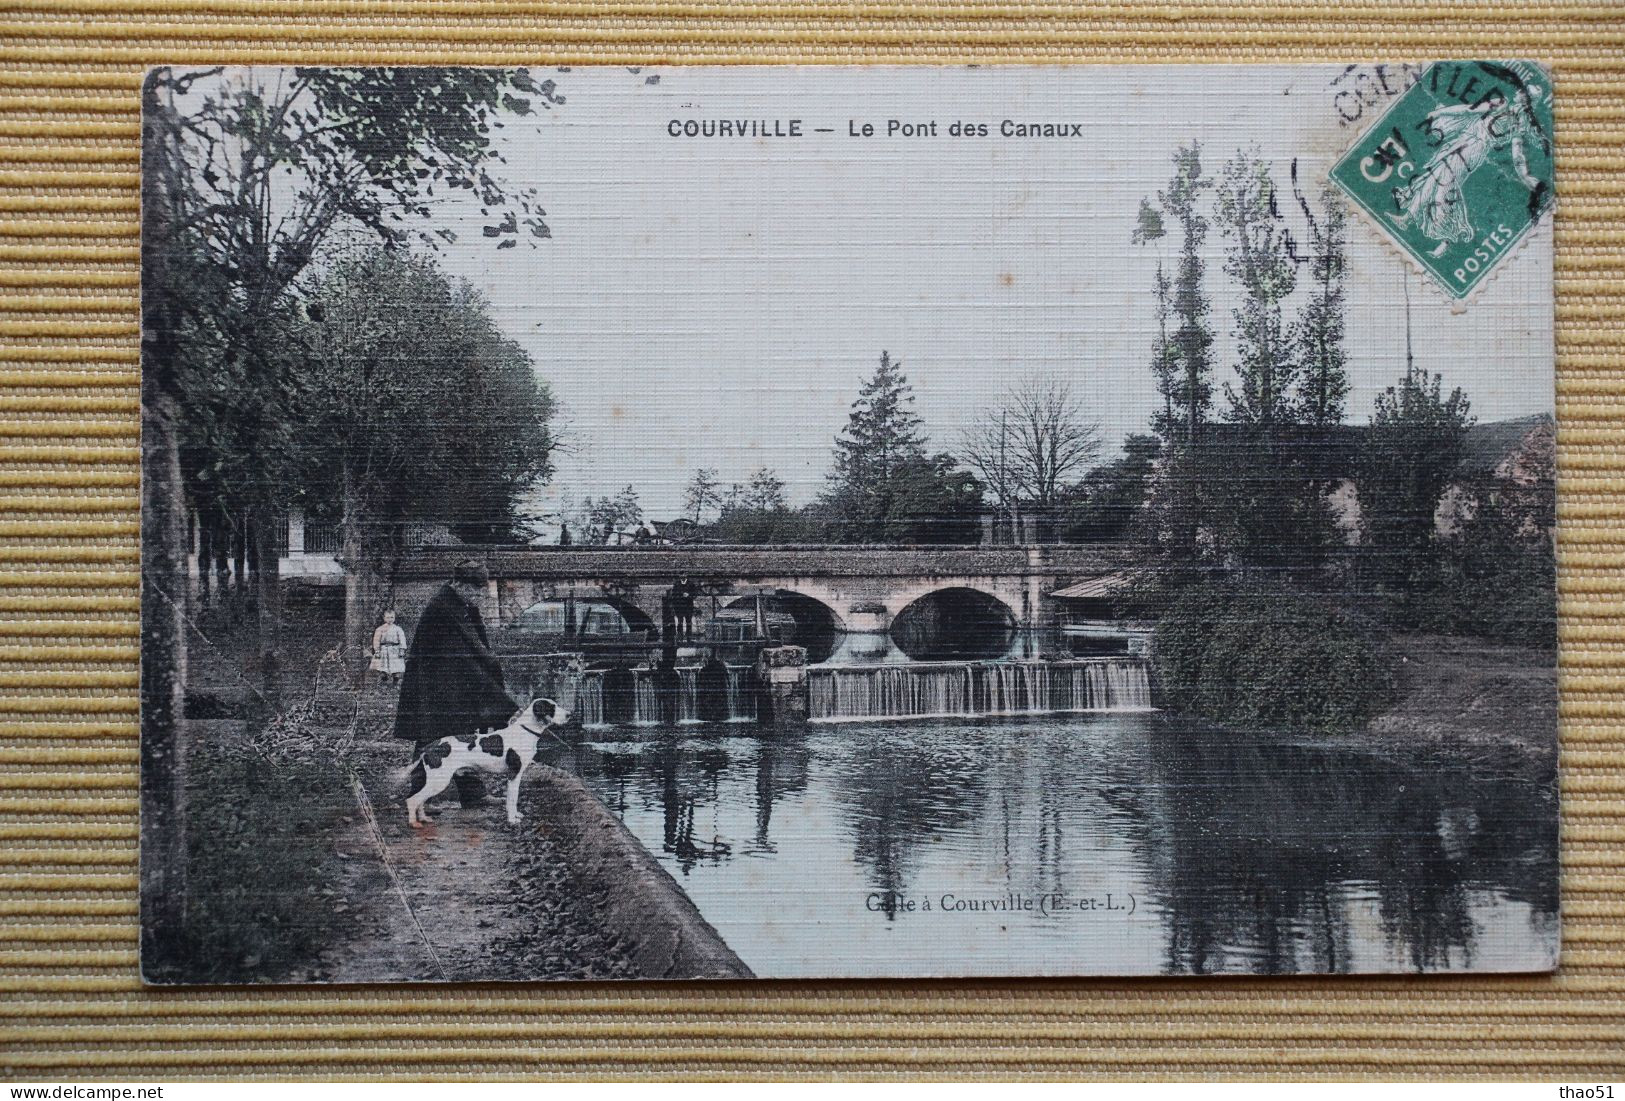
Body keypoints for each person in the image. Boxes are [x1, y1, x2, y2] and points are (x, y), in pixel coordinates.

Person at [393, 559, 516, 809]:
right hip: (435, 686)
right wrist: (503, 702)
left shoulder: (461, 604)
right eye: (475, 589)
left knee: (460, 736)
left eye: (481, 589)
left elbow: (477, 651)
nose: (480, 595)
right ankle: (422, 797)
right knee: (433, 737)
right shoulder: (443, 608)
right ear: (459, 584)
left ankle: (472, 794)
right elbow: (464, 659)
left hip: (449, 683)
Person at [370, 609, 407, 687]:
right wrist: (377, 650)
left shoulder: (398, 629)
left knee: (396, 667)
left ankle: (396, 682)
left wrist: (402, 650)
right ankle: (383, 681)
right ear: (384, 618)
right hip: (384, 650)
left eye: (392, 617)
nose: (390, 620)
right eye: (388, 617)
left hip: (395, 650)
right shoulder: (380, 629)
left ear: (394, 618)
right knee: (383, 667)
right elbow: (376, 640)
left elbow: (402, 640)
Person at [669, 576, 698, 641]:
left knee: (688, 622)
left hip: (688, 606)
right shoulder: (676, 584)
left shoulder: (691, 584)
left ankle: (689, 638)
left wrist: (689, 595)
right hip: (679, 606)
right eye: (681, 574)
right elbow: (673, 595)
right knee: (680, 622)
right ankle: (680, 638)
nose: (682, 576)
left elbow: (695, 594)